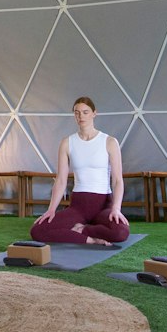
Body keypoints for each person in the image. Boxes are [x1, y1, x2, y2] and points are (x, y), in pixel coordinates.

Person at [29, 96, 129, 245]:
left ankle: (83, 230)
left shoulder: (109, 142)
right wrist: (51, 210)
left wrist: (116, 208)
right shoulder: (67, 143)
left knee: (120, 232)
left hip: (103, 205)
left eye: (85, 112)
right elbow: (61, 180)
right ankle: (89, 239)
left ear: (94, 113)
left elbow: (117, 181)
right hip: (78, 207)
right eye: (77, 112)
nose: (81, 116)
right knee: (37, 230)